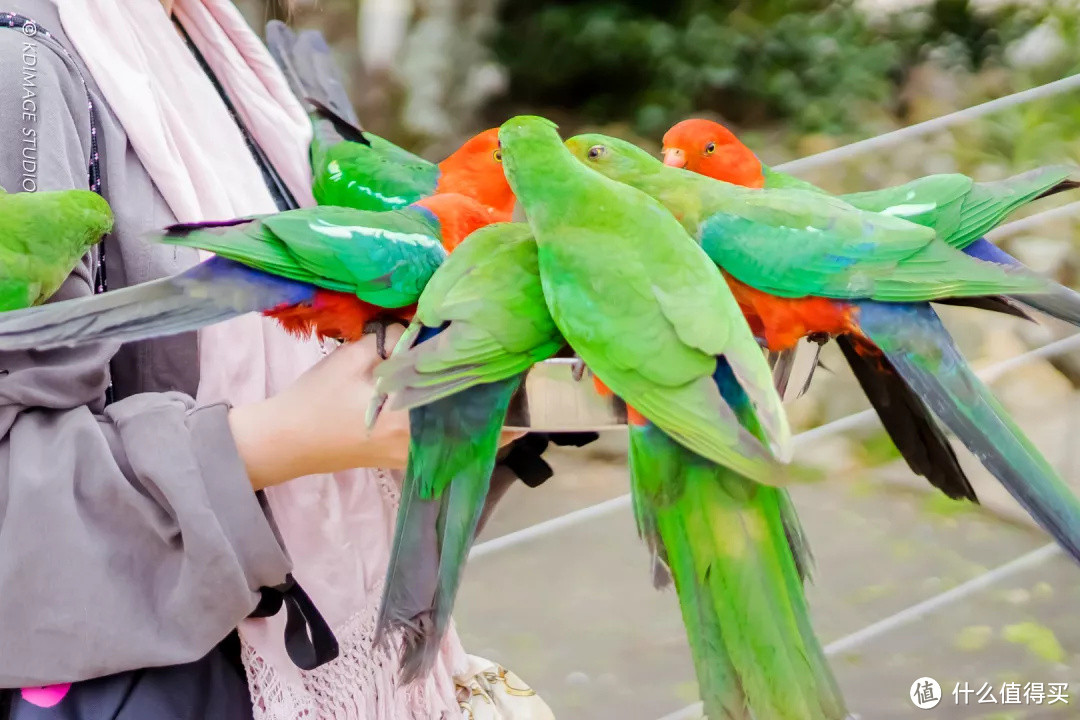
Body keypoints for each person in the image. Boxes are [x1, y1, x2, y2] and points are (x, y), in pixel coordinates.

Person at [0, 1, 553, 718]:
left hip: (349, 664)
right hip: (178, 681)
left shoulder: (223, 51)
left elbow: (344, 518)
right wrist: (280, 440)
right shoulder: (23, 72)